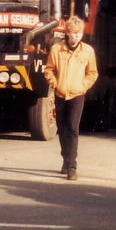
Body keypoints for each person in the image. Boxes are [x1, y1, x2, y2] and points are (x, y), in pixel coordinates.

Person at [44, 16, 98, 181]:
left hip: (77, 94)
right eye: (73, 33)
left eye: (79, 33)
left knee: (73, 128)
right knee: (62, 128)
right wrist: (55, 84)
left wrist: (83, 86)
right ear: (67, 33)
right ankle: (65, 159)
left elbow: (93, 73)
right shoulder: (56, 49)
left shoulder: (88, 51)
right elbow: (49, 70)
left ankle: (72, 166)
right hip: (61, 93)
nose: (76, 36)